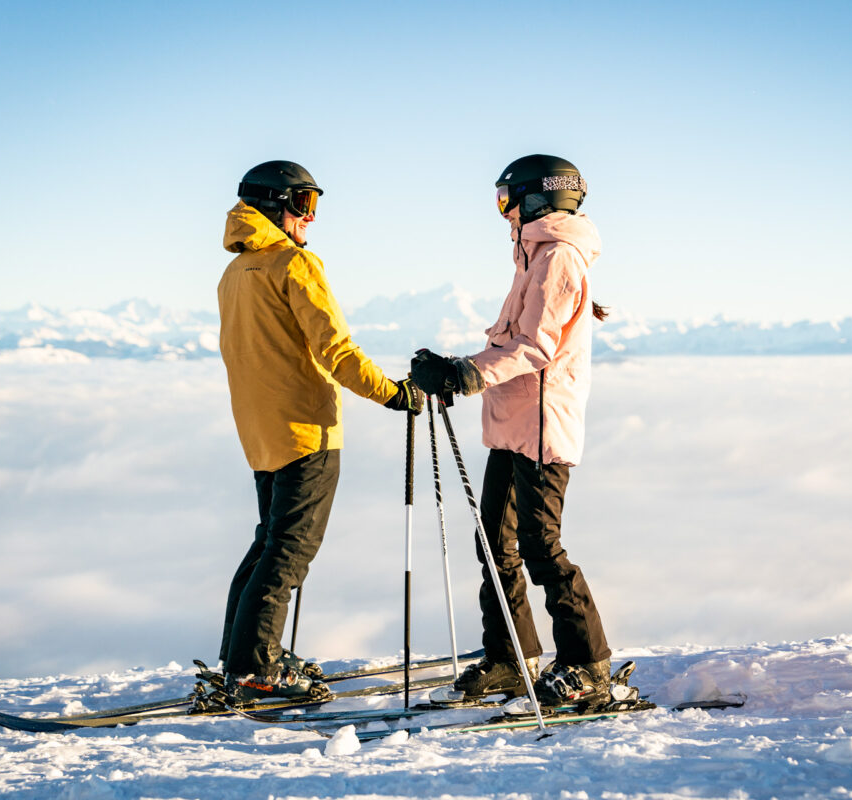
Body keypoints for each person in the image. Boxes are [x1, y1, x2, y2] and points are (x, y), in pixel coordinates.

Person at [216, 160, 421, 705]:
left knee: (268, 543)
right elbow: (336, 350)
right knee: (289, 552)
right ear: (275, 205)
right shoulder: (293, 264)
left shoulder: (236, 273)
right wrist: (395, 393)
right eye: (304, 204)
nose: (311, 218)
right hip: (307, 430)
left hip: (261, 433)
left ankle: (240, 654)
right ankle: (254, 667)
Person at [411, 154, 613, 707]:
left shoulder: (558, 258)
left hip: (544, 428)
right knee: (495, 543)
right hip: (514, 423)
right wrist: (457, 367)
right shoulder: (533, 256)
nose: (502, 211)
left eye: (507, 198)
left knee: (541, 546)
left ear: (539, 198)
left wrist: (468, 374)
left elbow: (536, 347)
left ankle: (587, 666)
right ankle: (510, 657)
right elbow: (509, 341)